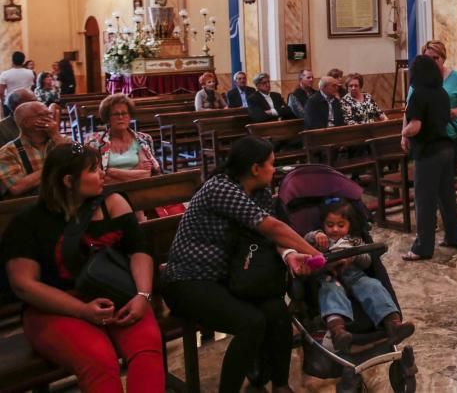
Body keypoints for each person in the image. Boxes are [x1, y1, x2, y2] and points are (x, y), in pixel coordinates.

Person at [162, 136, 320, 393]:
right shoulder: (220, 188)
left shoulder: (259, 193)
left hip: (228, 277)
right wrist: (317, 255)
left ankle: (280, 385)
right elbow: (273, 227)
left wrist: (291, 253)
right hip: (188, 280)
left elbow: (272, 235)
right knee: (251, 322)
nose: (275, 169)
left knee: (277, 310)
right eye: (271, 164)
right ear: (255, 168)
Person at [1, 143, 164, 392]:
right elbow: (24, 285)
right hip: (56, 308)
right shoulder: (29, 222)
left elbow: (138, 250)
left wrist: (143, 294)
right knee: (99, 359)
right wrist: (82, 310)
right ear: (68, 180)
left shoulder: (113, 202)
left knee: (147, 348)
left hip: (116, 295)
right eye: (94, 169)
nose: (102, 174)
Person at [304, 200, 414, 350]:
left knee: (373, 285)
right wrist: (315, 235)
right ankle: (338, 331)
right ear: (323, 224)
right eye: (330, 225)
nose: (335, 229)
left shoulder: (354, 240)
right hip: (330, 277)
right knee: (331, 293)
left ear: (350, 225)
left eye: (341, 225)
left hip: (354, 275)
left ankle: (393, 323)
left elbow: (367, 261)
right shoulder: (321, 239)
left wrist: (354, 257)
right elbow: (304, 242)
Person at [401, 55, 457, 260]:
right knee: (446, 197)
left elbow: (415, 126)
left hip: (428, 152)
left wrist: (403, 133)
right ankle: (454, 237)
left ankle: (422, 248)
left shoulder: (418, 94)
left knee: (425, 201)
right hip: (447, 148)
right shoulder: (442, 93)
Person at [0, 101, 69, 199]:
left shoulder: (64, 140)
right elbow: (16, 187)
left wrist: (56, 136)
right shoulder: (7, 152)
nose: (50, 118)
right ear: (26, 122)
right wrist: (56, 165)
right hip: (30, 206)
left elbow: (80, 159)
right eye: (42, 115)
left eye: (49, 113)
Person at [86, 95, 160, 183]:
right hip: (108, 191)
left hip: (140, 187)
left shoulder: (144, 139)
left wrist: (113, 172)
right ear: (108, 118)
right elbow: (98, 178)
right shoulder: (95, 142)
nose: (120, 117)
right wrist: (135, 171)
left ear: (130, 116)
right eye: (116, 114)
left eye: (124, 113)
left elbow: (147, 174)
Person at [0, 51, 35, 116]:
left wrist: (3, 102)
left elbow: (1, 92)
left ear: (12, 60)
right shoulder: (30, 73)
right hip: (26, 103)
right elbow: (31, 87)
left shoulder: (5, 74)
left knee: (10, 124)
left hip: (10, 104)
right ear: (23, 61)